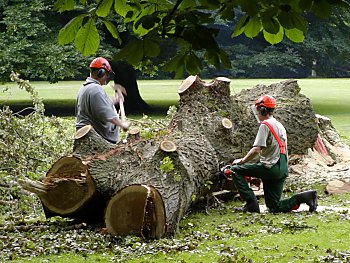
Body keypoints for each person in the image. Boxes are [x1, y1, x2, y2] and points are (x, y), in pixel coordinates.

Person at [230, 95, 318, 213]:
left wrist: (241, 161)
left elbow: (257, 149)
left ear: (262, 110)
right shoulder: (279, 125)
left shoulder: (265, 125)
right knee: (274, 207)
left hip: (270, 168)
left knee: (235, 170)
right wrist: (257, 173)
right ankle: (304, 197)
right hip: (281, 168)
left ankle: (251, 204)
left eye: (257, 110)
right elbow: (272, 151)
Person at [76, 57, 129, 143]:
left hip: (90, 137)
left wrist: (116, 99)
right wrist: (122, 124)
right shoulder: (96, 89)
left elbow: (97, 105)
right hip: (101, 139)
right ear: (101, 73)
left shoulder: (85, 87)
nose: (107, 77)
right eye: (107, 74)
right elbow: (105, 113)